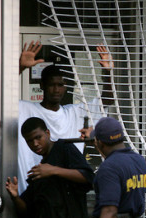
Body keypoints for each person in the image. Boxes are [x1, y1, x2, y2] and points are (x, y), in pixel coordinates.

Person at [17, 41, 114, 193]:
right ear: (42, 85)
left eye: (61, 85)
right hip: (34, 194)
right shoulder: (25, 109)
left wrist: (108, 72)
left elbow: (107, 100)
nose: (56, 89)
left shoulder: (75, 112)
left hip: (67, 195)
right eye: (51, 84)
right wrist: (20, 67)